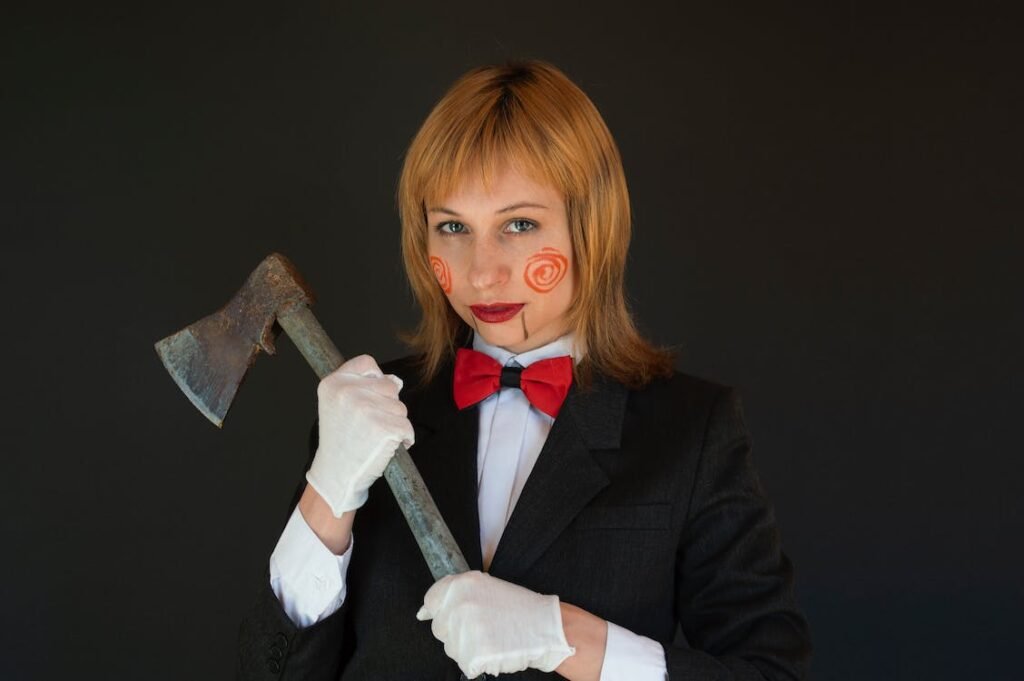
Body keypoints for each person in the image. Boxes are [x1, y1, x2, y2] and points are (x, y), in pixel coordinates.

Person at [238, 60, 811, 681]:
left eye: (519, 224)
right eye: (452, 227)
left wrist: (569, 638)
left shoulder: (692, 432)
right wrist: (326, 495)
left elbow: (771, 674)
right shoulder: (367, 413)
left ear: (591, 229)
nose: (482, 273)